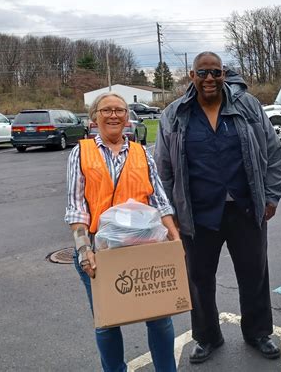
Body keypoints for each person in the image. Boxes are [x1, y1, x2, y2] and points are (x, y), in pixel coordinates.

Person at [154, 52, 281, 364]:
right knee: (199, 279)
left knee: (254, 274)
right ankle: (206, 336)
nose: (210, 78)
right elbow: (163, 168)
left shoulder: (248, 106)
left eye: (215, 72)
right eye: (203, 73)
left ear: (223, 74)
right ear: (192, 76)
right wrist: (168, 212)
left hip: (245, 209)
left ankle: (258, 332)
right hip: (197, 214)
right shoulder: (173, 115)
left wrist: (271, 196)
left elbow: (273, 152)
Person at [65, 92, 180, 372]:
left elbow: (160, 202)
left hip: (144, 250)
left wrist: (175, 240)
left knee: (160, 319)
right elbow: (76, 209)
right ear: (94, 118)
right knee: (107, 323)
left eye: (119, 110)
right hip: (101, 254)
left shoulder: (142, 153)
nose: (114, 115)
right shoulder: (80, 153)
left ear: (127, 117)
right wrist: (84, 250)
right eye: (106, 110)